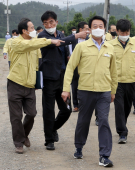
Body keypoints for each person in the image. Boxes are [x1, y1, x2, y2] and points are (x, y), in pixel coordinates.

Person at [62, 15, 118, 167]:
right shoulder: (81, 47)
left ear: (105, 29)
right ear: (89, 29)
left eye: (101, 26)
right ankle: (79, 146)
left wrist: (113, 91)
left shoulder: (110, 48)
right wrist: (66, 89)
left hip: (104, 91)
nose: (98, 29)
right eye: (95, 26)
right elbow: (70, 67)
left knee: (104, 121)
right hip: (85, 90)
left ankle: (104, 155)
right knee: (83, 120)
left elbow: (114, 72)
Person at [7, 18, 64, 154]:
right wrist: (50, 41)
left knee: (32, 114)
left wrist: (38, 81)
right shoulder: (15, 42)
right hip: (16, 83)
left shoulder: (35, 44)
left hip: (30, 85)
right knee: (16, 117)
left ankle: (24, 135)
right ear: (24, 31)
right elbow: (29, 46)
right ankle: (18, 143)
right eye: (32, 28)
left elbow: (38, 64)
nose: (34, 30)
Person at [38, 10, 88, 150]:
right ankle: (49, 140)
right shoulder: (42, 36)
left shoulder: (60, 34)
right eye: (46, 23)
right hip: (48, 78)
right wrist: (76, 35)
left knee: (66, 110)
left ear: (56, 22)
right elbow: (59, 43)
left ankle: (52, 128)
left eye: (51, 22)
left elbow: (65, 49)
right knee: (48, 110)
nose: (49, 25)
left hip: (62, 78)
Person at [109, 19, 135, 144]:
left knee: (127, 107)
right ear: (117, 31)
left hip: (131, 80)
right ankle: (122, 132)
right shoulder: (110, 45)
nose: (124, 34)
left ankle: (122, 125)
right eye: (122, 32)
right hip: (116, 81)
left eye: (127, 32)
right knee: (119, 107)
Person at [69, 22, 89, 112]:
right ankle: (76, 105)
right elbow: (69, 51)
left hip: (86, 66)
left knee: (85, 85)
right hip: (75, 66)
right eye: (86, 29)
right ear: (81, 30)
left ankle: (84, 104)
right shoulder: (73, 40)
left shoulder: (90, 39)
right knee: (74, 86)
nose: (88, 31)